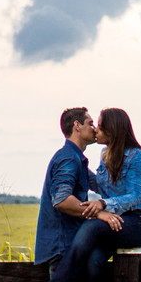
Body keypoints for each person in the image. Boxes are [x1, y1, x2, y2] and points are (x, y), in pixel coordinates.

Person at [49, 108, 141, 282]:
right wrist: (78, 165)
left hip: (138, 222)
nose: (95, 129)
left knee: (92, 226)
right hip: (113, 221)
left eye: (99, 125)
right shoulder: (105, 155)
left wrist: (103, 205)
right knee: (94, 261)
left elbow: (136, 196)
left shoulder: (137, 156)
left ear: (112, 129)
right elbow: (100, 184)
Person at [35, 107, 97, 273]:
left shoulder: (75, 158)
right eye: (90, 123)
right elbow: (62, 200)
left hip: (67, 248)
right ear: (77, 125)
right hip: (63, 248)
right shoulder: (68, 159)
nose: (95, 128)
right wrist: (98, 212)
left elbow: (103, 185)